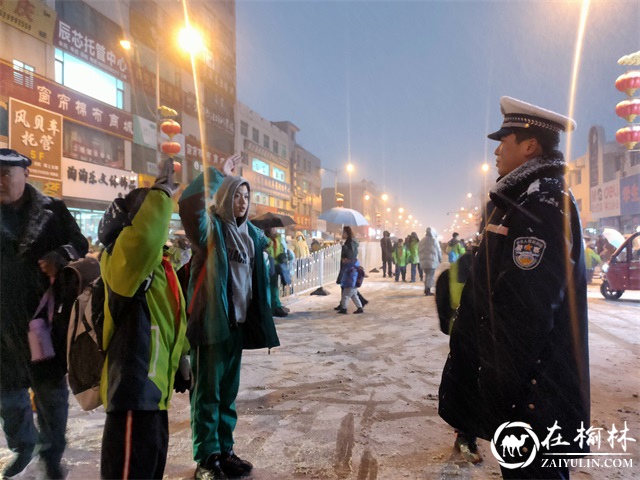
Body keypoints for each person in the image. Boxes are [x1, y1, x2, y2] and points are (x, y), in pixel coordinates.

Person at [438, 97, 590, 479]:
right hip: (529, 390)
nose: (496, 149)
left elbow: (526, 308)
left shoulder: (541, 204)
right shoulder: (525, 200)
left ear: (529, 146)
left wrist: (499, 383)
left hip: (535, 395)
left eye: (504, 139)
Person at [178, 154, 280, 480]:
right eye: (236, 194)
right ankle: (206, 459)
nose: (242, 201)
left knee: (227, 394)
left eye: (246, 196)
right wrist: (217, 175)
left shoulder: (250, 237)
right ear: (224, 196)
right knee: (207, 395)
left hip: (235, 326)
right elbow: (189, 205)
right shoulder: (210, 230)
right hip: (211, 324)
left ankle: (225, 450)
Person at [98, 158, 190, 479]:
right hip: (131, 397)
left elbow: (170, 323)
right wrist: (161, 194)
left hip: (154, 399)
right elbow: (144, 239)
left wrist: (182, 359)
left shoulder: (158, 269)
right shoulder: (120, 261)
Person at [0, 148, 88, 479]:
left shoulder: (53, 212)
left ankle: (52, 455)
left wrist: (59, 255)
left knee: (51, 396)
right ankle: (22, 446)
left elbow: (79, 244)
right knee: (8, 395)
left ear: (26, 174)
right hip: (1, 324)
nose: (1, 180)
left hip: (43, 324)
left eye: (7, 173)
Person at [334, 226, 368, 310]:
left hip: (348, 265)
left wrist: (343, 247)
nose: (342, 234)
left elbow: (350, 253)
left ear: (347, 233)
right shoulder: (349, 241)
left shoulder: (350, 242)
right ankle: (358, 302)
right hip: (347, 264)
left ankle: (344, 306)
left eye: (343, 233)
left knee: (346, 285)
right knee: (347, 285)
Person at [264, 227, 290, 318]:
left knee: (274, 287)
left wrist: (283, 255)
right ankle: (271, 307)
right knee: (268, 287)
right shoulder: (264, 238)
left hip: (277, 265)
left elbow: (283, 249)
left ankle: (276, 306)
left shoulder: (279, 238)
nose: (274, 229)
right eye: (272, 227)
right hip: (268, 265)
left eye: (274, 227)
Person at [418, 227, 442, 296]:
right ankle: (427, 290)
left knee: (427, 275)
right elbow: (438, 250)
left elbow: (419, 250)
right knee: (430, 276)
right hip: (432, 261)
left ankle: (426, 288)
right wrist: (440, 259)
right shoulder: (434, 240)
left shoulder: (422, 240)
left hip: (424, 261)